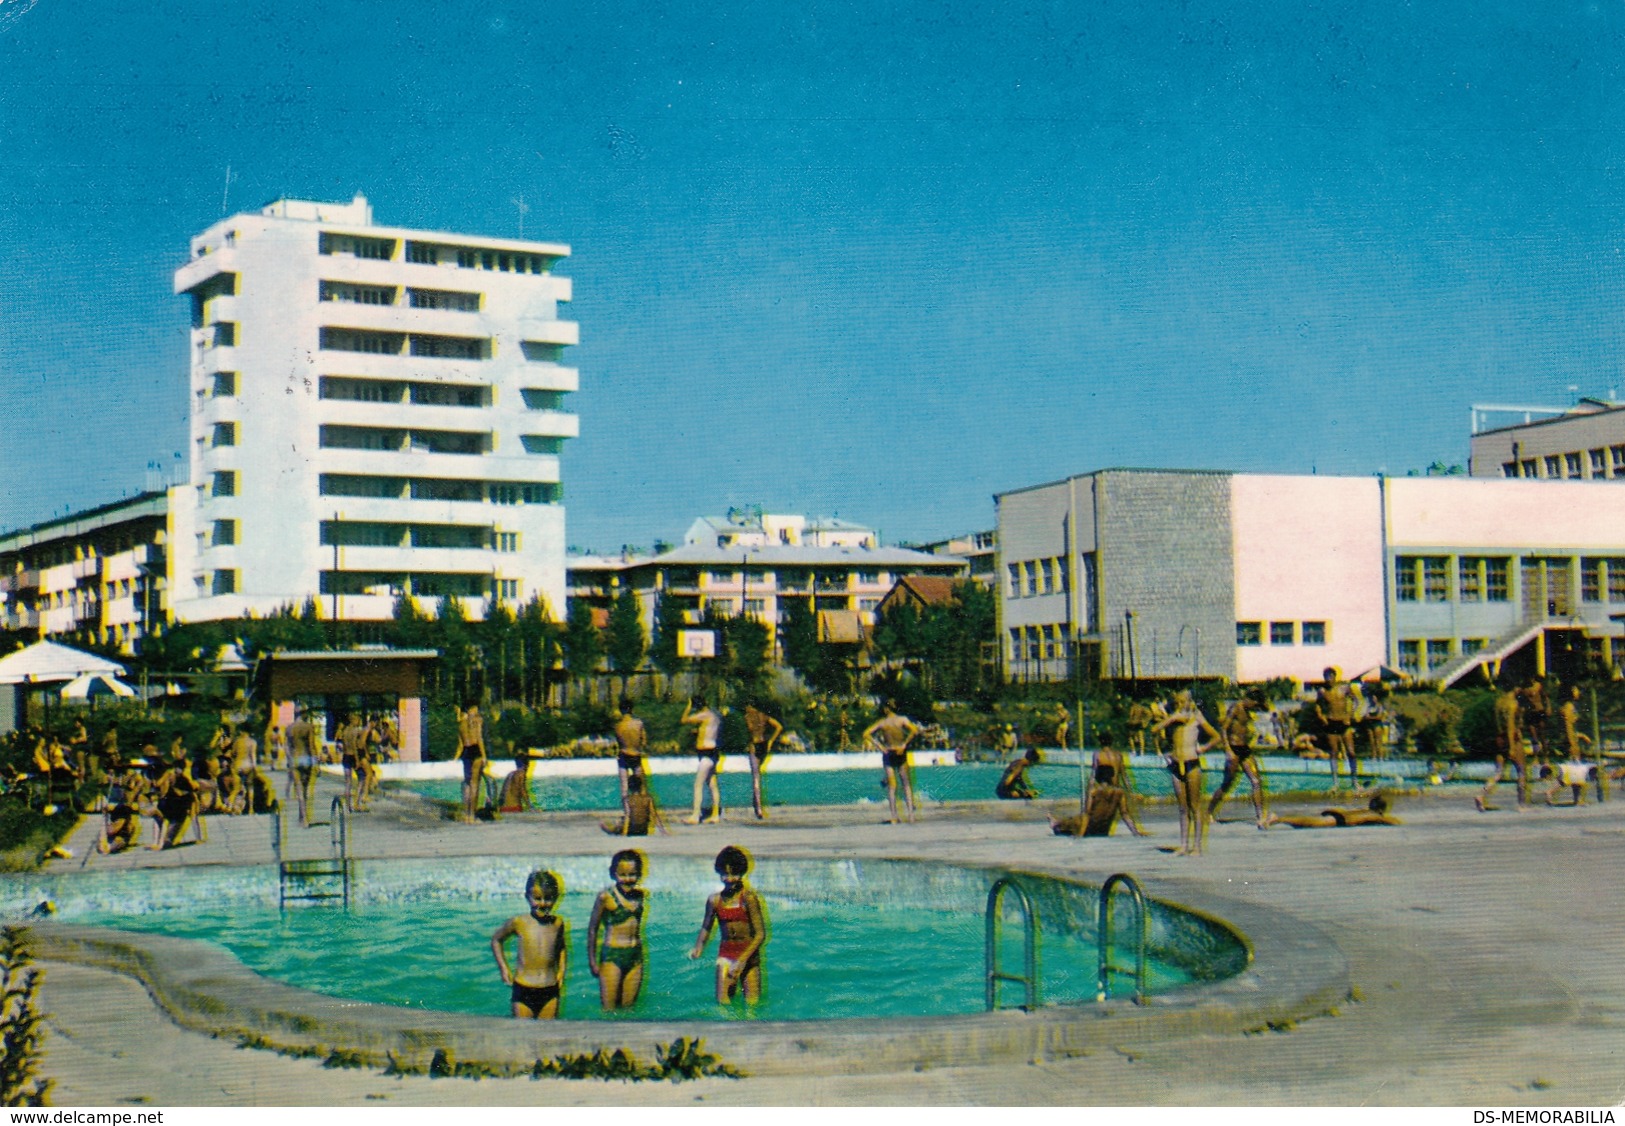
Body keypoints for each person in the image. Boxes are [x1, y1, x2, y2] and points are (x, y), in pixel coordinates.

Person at [689, 845, 767, 1005]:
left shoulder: (749, 899)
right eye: (725, 874)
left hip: (748, 956)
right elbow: (706, 927)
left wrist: (742, 960)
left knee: (753, 1006)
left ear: (743, 873)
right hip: (726, 955)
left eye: (734, 874)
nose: (729, 879)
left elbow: (760, 934)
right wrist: (698, 947)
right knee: (723, 1004)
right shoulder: (715, 900)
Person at [489, 870, 567, 1019]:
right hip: (524, 988)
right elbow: (496, 940)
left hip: (550, 989)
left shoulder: (557, 923)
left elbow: (561, 947)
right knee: (524, 1034)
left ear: (556, 898)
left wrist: (562, 971)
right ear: (527, 897)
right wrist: (504, 969)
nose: (543, 903)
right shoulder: (519, 922)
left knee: (547, 1037)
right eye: (537, 898)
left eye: (548, 898)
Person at [1154, 690, 1220, 856]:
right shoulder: (1173, 718)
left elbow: (1216, 736)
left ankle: (1196, 846)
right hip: (1176, 763)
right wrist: (1171, 718)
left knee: (1195, 806)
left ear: (1189, 702)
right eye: (1177, 702)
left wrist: (1204, 748)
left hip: (1191, 762)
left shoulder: (1196, 717)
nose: (1180, 705)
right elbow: (1154, 730)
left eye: (1183, 701)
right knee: (1183, 807)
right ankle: (1183, 844)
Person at [1053, 730, 1149, 837]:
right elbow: (1124, 775)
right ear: (1111, 742)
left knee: (1079, 818)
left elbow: (1094, 773)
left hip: (1101, 789)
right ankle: (1057, 823)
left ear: (1100, 742)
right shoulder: (1118, 755)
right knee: (1112, 812)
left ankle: (1056, 824)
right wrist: (1130, 792)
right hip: (1115, 788)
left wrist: (1089, 789)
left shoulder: (1098, 755)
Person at [587, 849, 647, 1011]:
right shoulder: (605, 897)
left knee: (629, 1010)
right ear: (613, 874)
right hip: (613, 955)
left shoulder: (639, 895)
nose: (628, 879)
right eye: (623, 875)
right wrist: (592, 961)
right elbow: (593, 928)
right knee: (609, 1010)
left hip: (635, 955)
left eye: (632, 874)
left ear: (639, 874)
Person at [1208, 690, 1267, 827]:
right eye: (1254, 704)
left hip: (1244, 748)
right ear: (1249, 700)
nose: (1254, 708)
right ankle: (1209, 812)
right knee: (1227, 783)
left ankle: (1260, 816)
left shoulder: (1248, 711)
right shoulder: (1236, 707)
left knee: (1256, 780)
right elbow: (1223, 729)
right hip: (1233, 748)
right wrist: (1228, 750)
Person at [863, 700, 920, 824]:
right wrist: (905, 744)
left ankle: (894, 816)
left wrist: (880, 747)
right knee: (906, 784)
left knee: (892, 786)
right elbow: (915, 730)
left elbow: (866, 733)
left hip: (888, 752)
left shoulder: (883, 722)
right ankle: (910, 815)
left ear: (885, 709)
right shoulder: (902, 720)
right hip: (900, 751)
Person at [1479, 683, 1529, 809]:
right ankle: (1521, 804)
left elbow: (1498, 722)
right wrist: (1512, 746)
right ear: (1515, 688)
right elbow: (1511, 726)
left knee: (1498, 772)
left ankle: (1481, 795)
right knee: (1521, 771)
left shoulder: (1499, 702)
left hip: (1500, 737)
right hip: (1511, 738)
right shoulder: (1512, 704)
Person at [680, 695, 723, 824]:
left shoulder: (704, 715)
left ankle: (695, 815)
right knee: (712, 784)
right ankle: (715, 815)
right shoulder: (714, 715)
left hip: (706, 753)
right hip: (713, 751)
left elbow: (684, 720)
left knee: (698, 784)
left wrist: (688, 707)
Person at [1314, 668, 1359, 789]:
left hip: (1344, 722)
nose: (1328, 680)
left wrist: (1350, 714)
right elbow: (1317, 705)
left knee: (1351, 752)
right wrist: (1321, 716)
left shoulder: (1344, 687)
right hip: (1331, 722)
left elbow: (1355, 701)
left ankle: (1355, 781)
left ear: (1335, 677)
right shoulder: (1322, 691)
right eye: (1326, 677)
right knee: (1333, 752)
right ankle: (1335, 783)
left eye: (1330, 677)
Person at [1262, 794, 1402, 829]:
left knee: (1307, 821)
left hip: (1338, 813)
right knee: (1308, 822)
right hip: (1340, 819)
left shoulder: (1365, 811)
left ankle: (1281, 818)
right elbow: (1391, 821)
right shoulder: (1375, 815)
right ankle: (1278, 819)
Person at [743, 700, 783, 820]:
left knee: (755, 777)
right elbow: (779, 727)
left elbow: (748, 732)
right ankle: (758, 805)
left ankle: (758, 807)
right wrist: (770, 740)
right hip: (764, 745)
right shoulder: (763, 716)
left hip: (754, 746)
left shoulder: (747, 717)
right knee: (757, 776)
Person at [602, 771, 668, 836]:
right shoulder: (648, 798)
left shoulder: (627, 799)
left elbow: (628, 816)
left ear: (629, 787)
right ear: (641, 786)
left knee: (607, 824)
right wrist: (663, 831)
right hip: (643, 830)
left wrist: (624, 832)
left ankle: (612, 831)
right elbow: (654, 815)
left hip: (631, 830)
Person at [285, 705, 320, 826]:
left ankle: (302, 817)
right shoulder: (308, 727)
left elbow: (287, 747)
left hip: (295, 759)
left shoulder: (289, 728)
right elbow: (311, 746)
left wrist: (289, 760)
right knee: (305, 789)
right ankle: (304, 817)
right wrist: (316, 763)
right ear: (304, 713)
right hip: (306, 758)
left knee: (298, 789)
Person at [612, 698, 648, 802]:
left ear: (620, 710)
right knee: (641, 786)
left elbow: (618, 743)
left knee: (624, 787)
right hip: (636, 755)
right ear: (631, 709)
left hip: (623, 755)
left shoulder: (618, 726)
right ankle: (643, 811)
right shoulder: (639, 724)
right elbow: (644, 742)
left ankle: (628, 814)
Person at [457, 701, 487, 824]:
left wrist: (455, 757)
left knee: (467, 784)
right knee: (475, 785)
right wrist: (484, 756)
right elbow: (479, 738)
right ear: (472, 709)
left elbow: (460, 744)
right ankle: (472, 815)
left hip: (466, 752)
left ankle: (466, 815)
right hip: (475, 751)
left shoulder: (460, 724)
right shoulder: (477, 721)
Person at [497, 745, 535, 814]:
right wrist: (530, 807)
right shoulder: (521, 774)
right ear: (527, 765)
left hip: (503, 808)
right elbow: (523, 790)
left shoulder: (510, 774)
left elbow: (502, 794)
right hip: (515, 808)